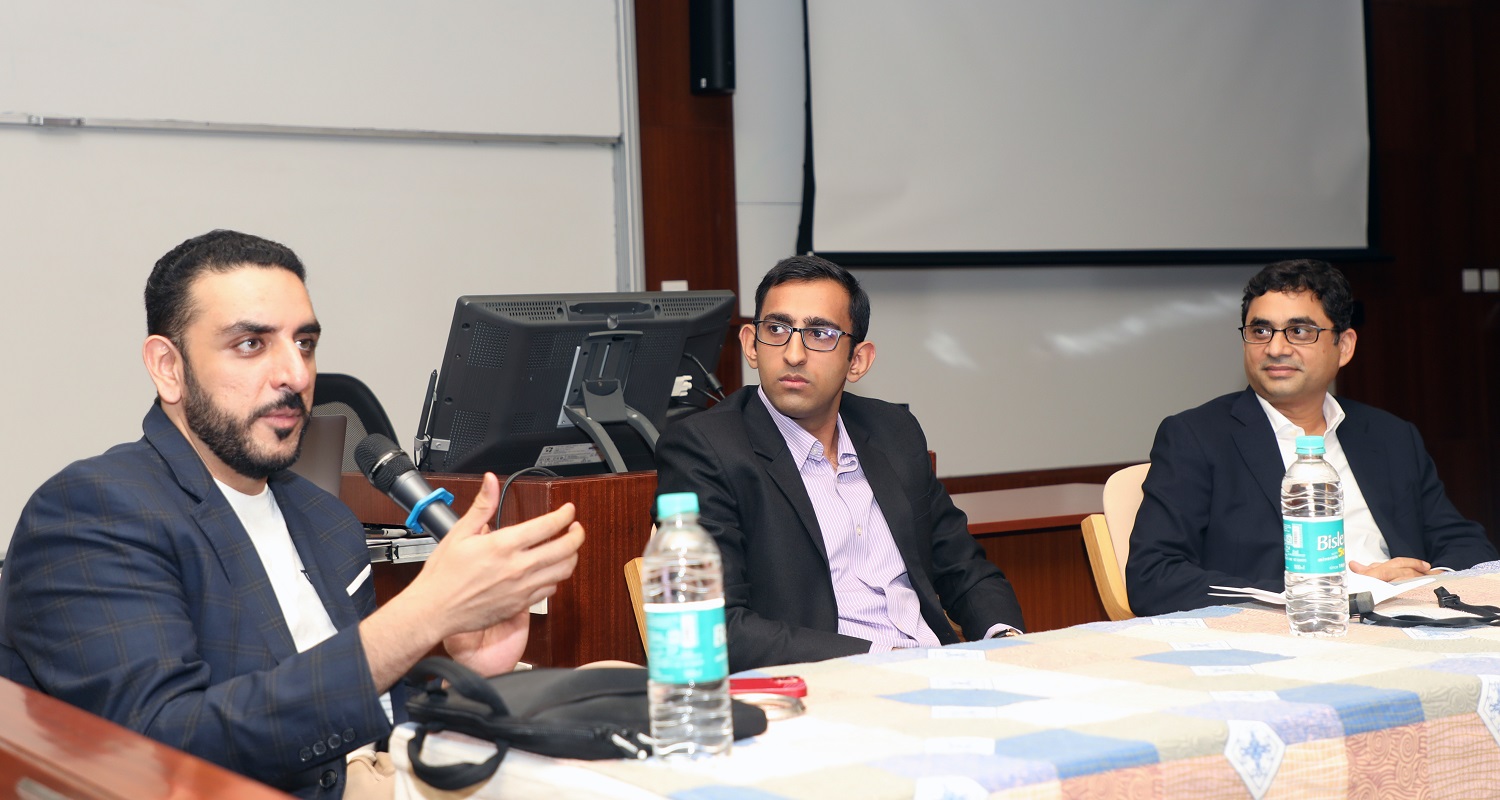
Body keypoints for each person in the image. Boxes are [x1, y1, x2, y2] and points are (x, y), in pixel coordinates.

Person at [0, 230, 585, 799]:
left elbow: (362, 712)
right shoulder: (93, 510)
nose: (297, 375)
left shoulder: (324, 520)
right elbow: (165, 747)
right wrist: (419, 617)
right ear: (168, 368)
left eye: (303, 343)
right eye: (251, 344)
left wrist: (475, 674)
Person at [655, 255, 1024, 672]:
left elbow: (964, 568)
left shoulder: (893, 432)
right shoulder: (705, 449)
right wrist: (888, 661)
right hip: (827, 684)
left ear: (858, 361)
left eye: (820, 334)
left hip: (939, 672)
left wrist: (1006, 641)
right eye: (776, 330)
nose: (794, 354)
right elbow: (718, 628)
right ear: (750, 346)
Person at [1126, 258, 1495, 617]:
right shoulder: (1197, 437)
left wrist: (1427, 582)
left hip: (1404, 617)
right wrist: (1334, 591)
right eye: (1260, 331)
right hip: (1286, 630)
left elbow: (1468, 546)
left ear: (1344, 346)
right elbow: (1153, 576)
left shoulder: (1390, 436)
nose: (1275, 348)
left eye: (1299, 331)